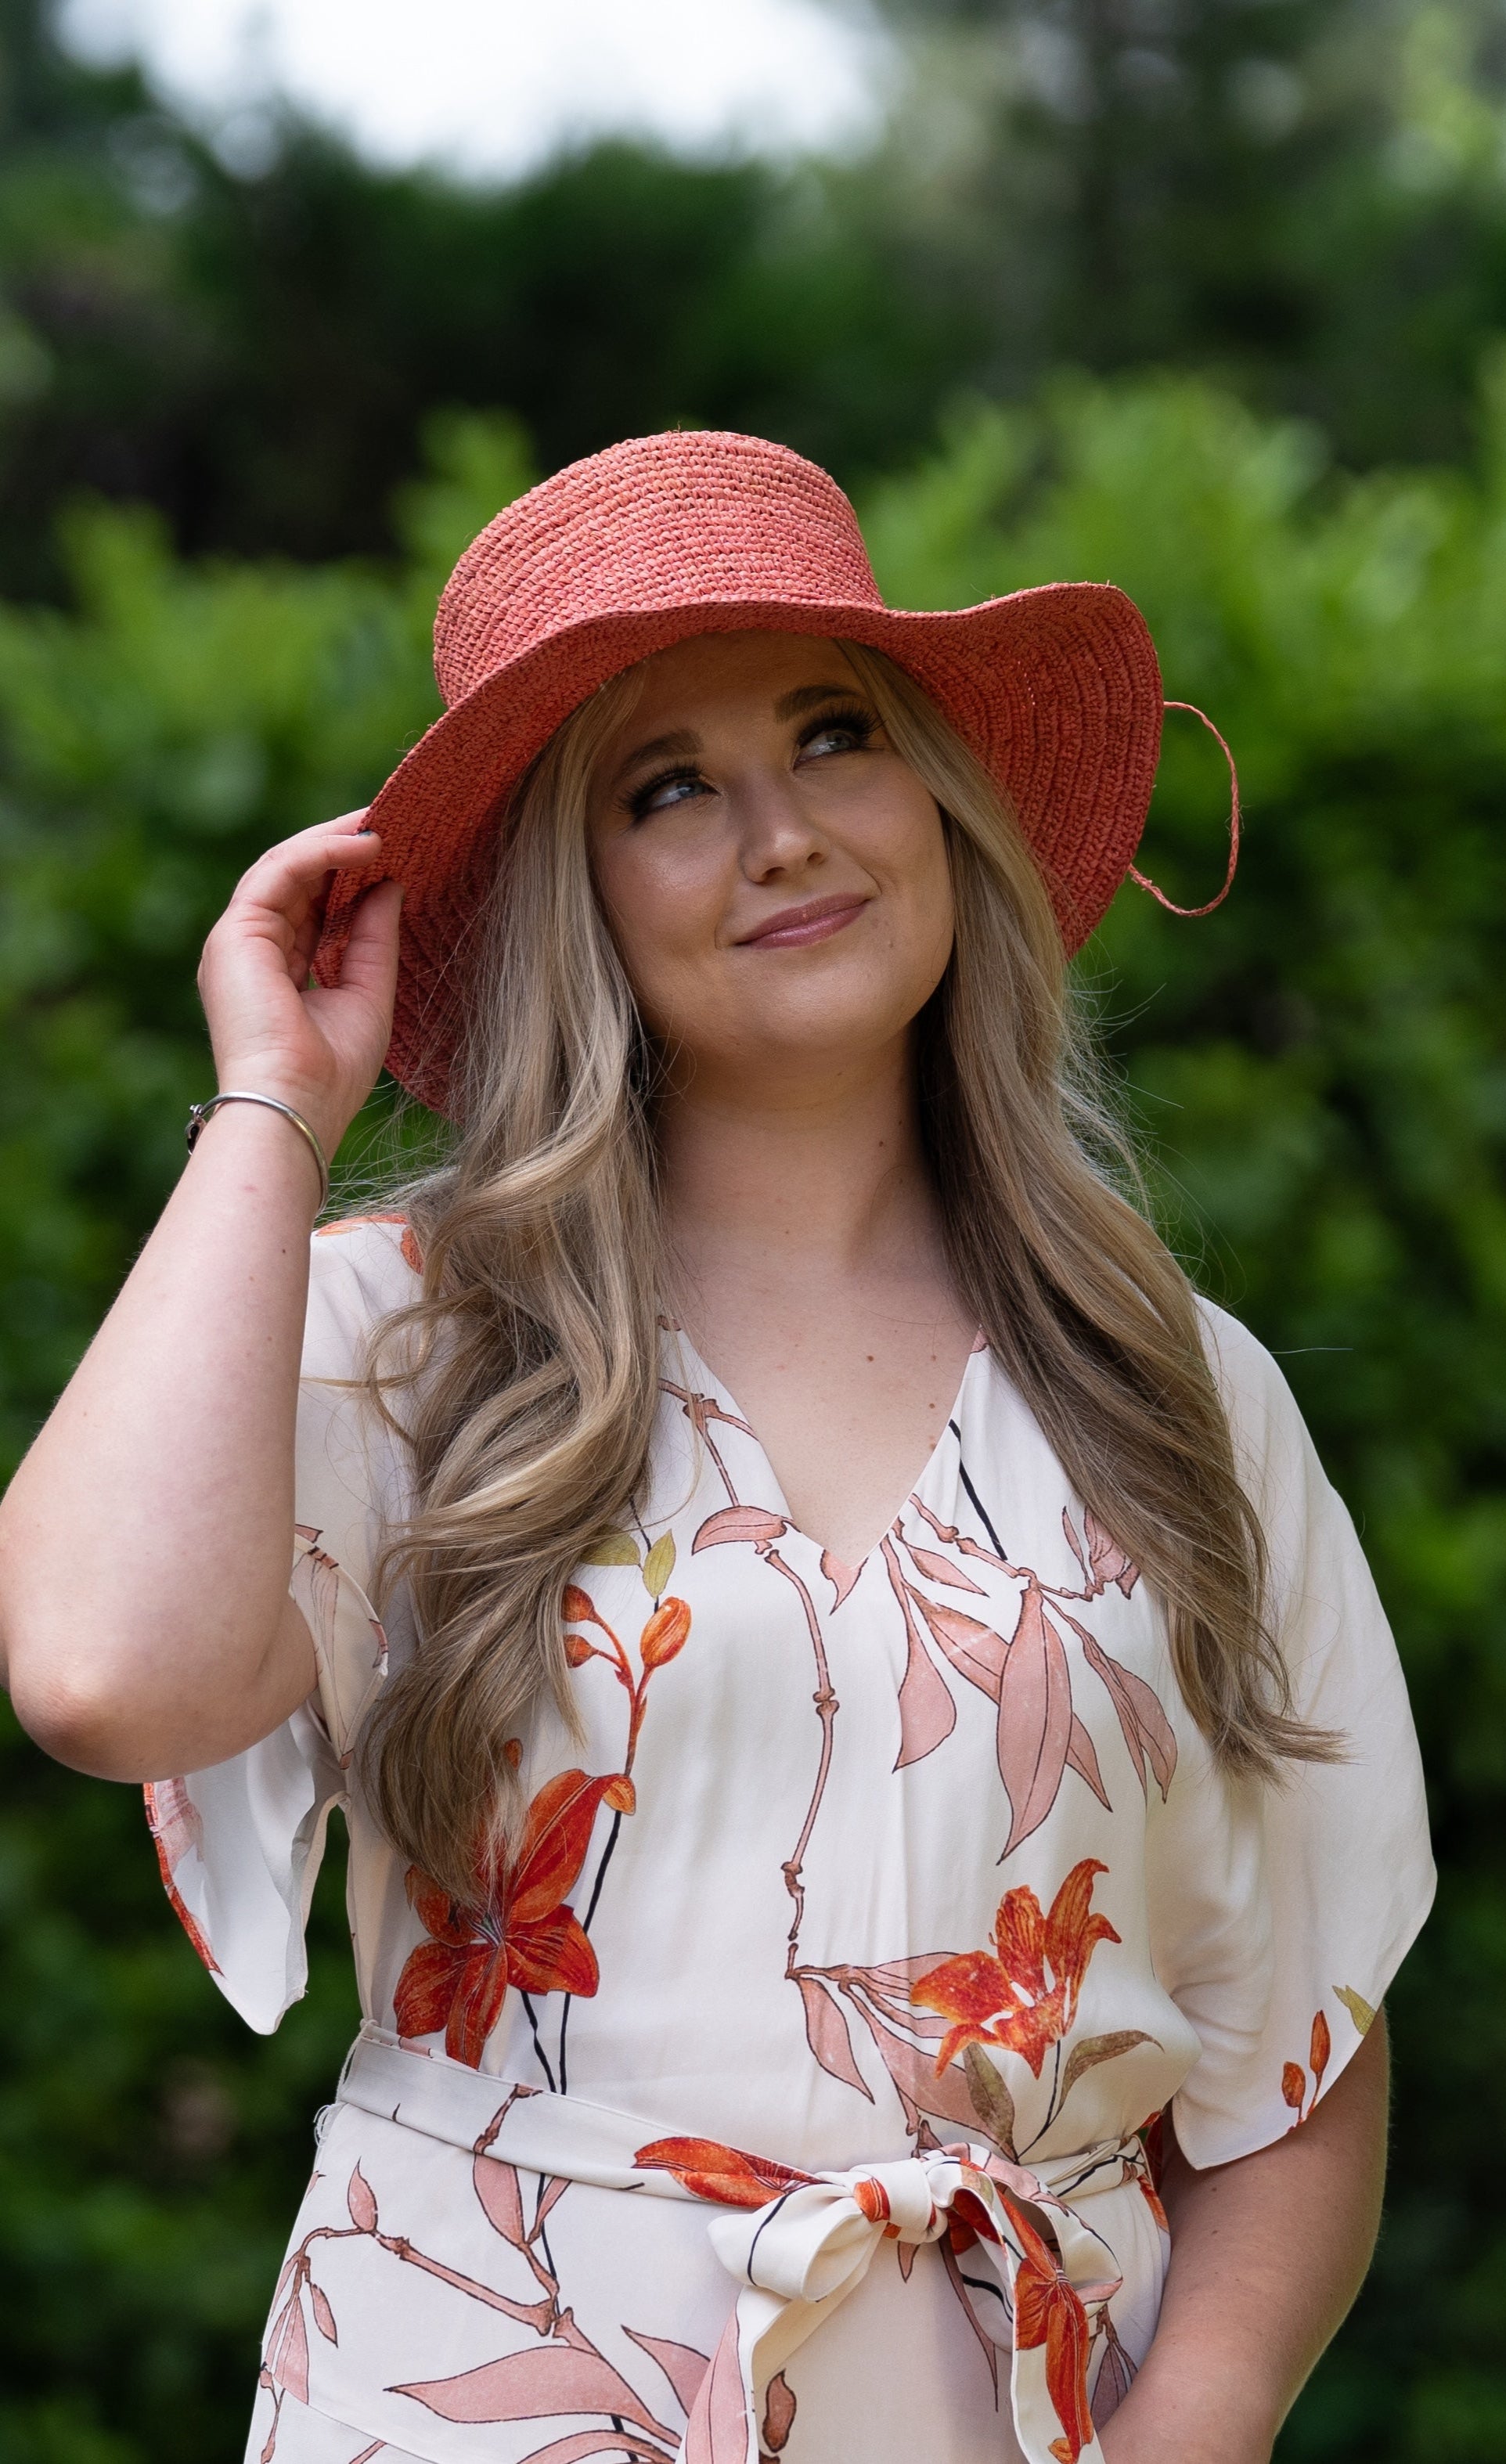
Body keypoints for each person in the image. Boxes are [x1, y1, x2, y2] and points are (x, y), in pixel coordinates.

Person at [0, 430, 1433, 2464]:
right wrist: (271, 1105)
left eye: (835, 735)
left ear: (937, 803)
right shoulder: (410, 1335)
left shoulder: (1171, 1386)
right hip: (471, 2400)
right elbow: (96, 1665)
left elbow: (1302, 2020)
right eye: (669, 787)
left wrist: (1200, 2418)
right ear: (582, 900)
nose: (780, 831)